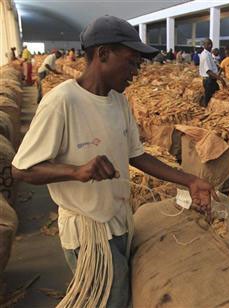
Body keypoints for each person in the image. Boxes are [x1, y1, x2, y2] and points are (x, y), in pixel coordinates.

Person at [12, 16, 217, 308]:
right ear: (103, 54)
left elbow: (137, 155)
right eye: (131, 62)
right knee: (110, 300)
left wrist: (190, 180)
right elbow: (21, 168)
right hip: (90, 234)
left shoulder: (119, 102)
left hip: (119, 222)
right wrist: (77, 171)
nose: (135, 72)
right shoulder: (62, 102)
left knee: (115, 299)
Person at [200, 38, 226, 106]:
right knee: (210, 98)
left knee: (214, 95)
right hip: (209, 80)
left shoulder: (208, 54)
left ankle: (207, 108)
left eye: (210, 44)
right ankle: (206, 110)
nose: (210, 46)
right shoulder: (206, 55)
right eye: (208, 44)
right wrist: (221, 79)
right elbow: (208, 71)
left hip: (210, 80)